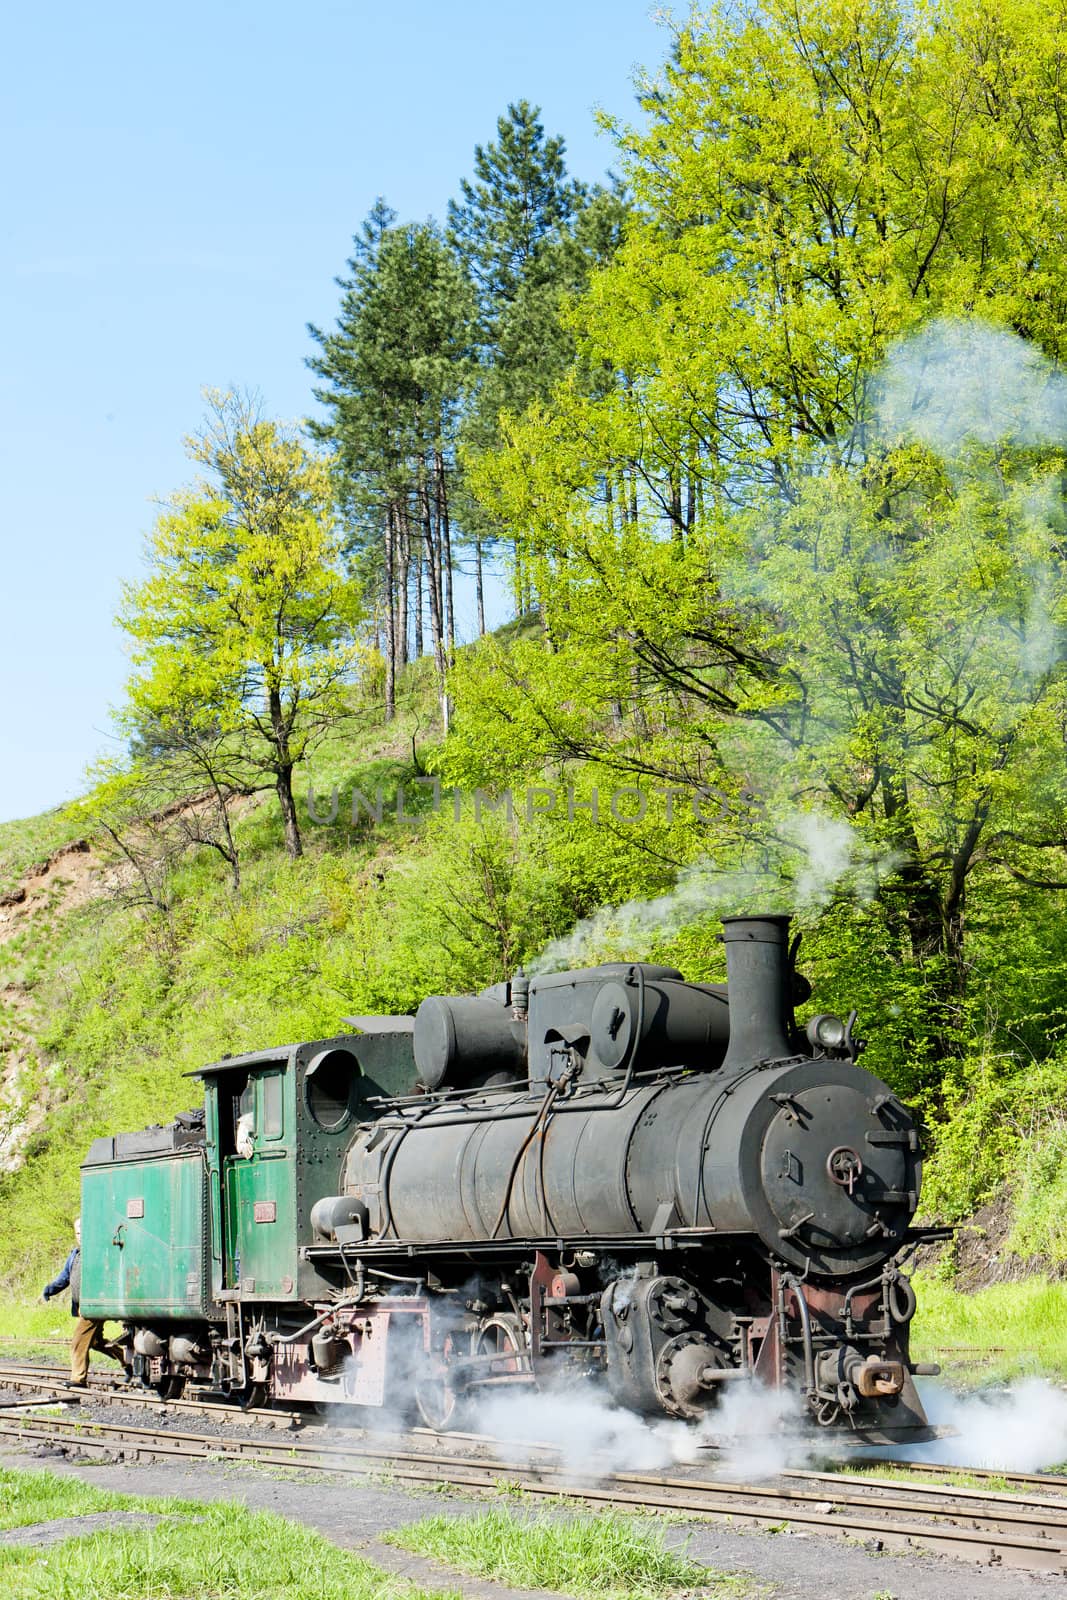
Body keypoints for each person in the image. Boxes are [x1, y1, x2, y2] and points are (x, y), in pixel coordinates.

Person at [42, 1218, 115, 1388]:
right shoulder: (75, 1255)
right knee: (96, 1342)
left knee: (78, 1341)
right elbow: (65, 1278)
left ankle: (78, 1378)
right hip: (83, 1308)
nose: (81, 1236)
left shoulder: (98, 1253)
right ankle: (127, 1358)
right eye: (78, 1233)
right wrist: (50, 1289)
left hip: (95, 1306)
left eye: (84, 1232)